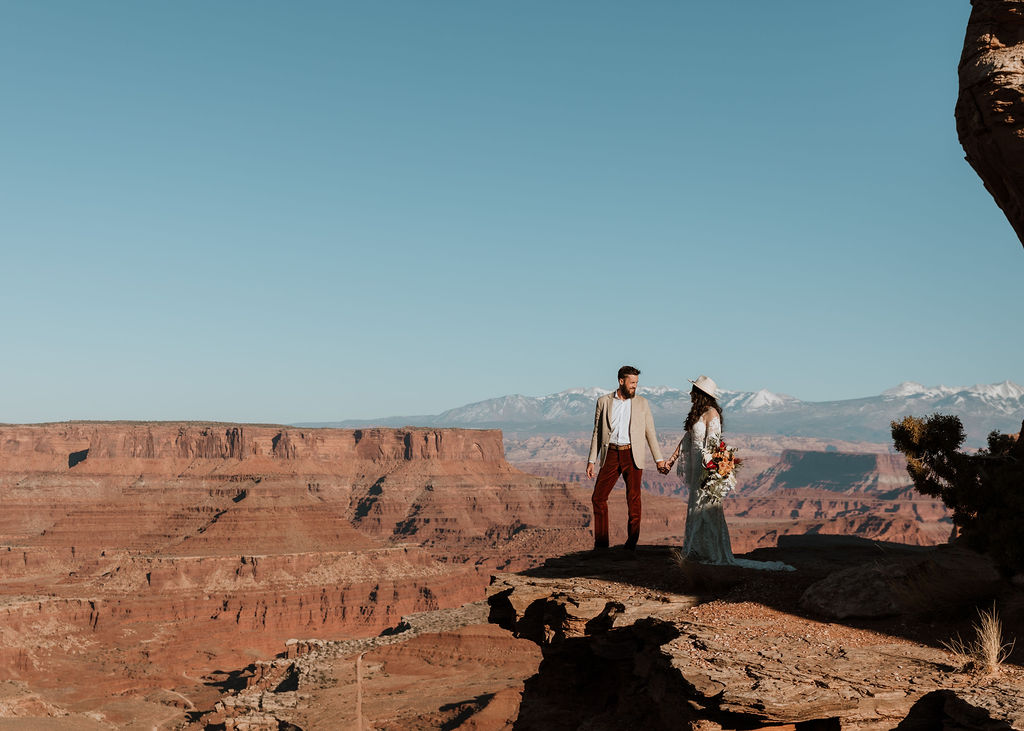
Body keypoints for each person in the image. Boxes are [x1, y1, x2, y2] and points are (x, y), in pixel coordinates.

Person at [666, 375, 793, 571]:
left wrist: (713, 471)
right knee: (695, 508)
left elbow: (714, 446)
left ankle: (710, 552)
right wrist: (671, 459)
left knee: (706, 509)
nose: (690, 393)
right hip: (697, 468)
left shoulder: (712, 414)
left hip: (706, 470)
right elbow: (686, 439)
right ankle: (696, 550)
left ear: (700, 394)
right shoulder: (697, 413)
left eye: (693, 390)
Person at [586, 365, 668, 550]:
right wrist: (592, 460)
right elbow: (597, 433)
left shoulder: (642, 403)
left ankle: (631, 544)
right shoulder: (603, 402)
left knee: (633, 499)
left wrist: (659, 459)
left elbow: (650, 433)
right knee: (598, 498)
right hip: (612, 454)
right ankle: (601, 545)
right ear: (621, 381)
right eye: (632, 383)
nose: (634, 387)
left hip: (633, 454)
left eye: (636, 383)